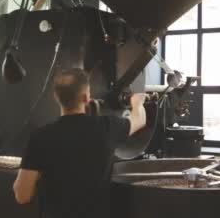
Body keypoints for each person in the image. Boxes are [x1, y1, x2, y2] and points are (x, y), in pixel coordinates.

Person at [13, 68, 146, 218]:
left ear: (56, 97)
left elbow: (22, 196)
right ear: (86, 98)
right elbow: (140, 120)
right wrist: (137, 102)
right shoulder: (107, 127)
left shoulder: (40, 137)